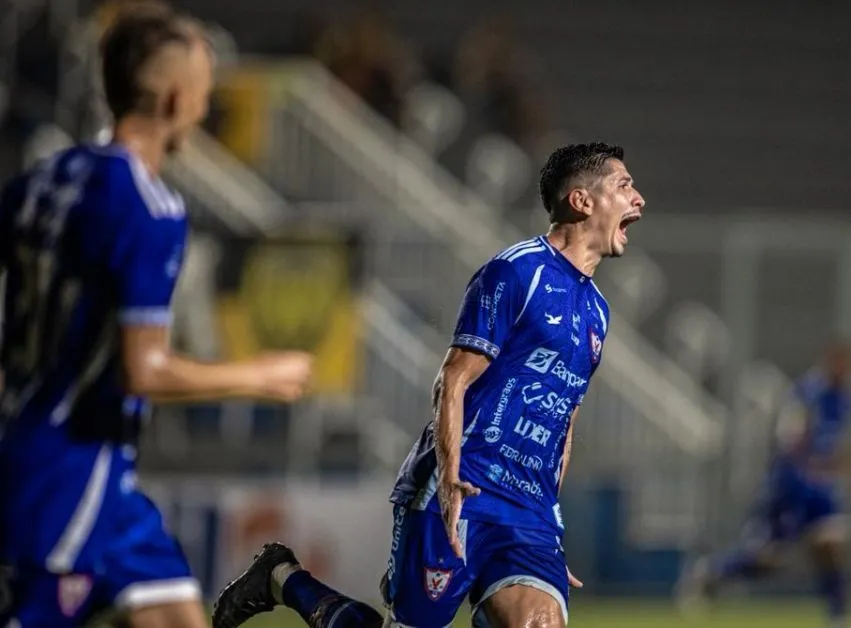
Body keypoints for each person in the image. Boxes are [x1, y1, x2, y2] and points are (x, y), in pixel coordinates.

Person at [213, 142, 645, 628]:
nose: (639, 200)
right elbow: (453, 379)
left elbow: (565, 419)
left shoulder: (598, 313)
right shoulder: (516, 271)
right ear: (582, 201)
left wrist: (547, 523)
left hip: (528, 512)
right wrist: (449, 479)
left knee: (539, 622)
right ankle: (282, 577)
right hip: (465, 485)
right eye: (624, 186)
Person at [0, 9, 315, 628]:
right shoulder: (150, 208)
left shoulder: (47, 178)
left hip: (85, 469)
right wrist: (258, 376)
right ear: (174, 98)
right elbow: (142, 369)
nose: (205, 108)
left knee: (176, 615)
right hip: (67, 470)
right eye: (203, 92)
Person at [676, 341, 851, 628]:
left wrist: (845, 467)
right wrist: (806, 466)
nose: (843, 371)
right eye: (839, 364)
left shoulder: (845, 398)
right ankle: (708, 574)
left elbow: (833, 442)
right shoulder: (807, 393)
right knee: (767, 558)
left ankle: (838, 616)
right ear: (829, 362)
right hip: (792, 484)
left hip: (820, 488)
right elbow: (790, 440)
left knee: (833, 542)